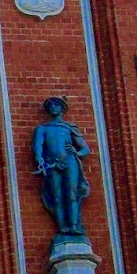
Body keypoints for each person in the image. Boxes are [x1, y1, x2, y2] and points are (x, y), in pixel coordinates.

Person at [32, 96, 91, 235]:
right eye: (50, 106)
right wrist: (40, 160)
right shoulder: (43, 128)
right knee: (57, 196)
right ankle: (62, 227)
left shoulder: (69, 127)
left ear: (62, 108)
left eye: (56, 105)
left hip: (70, 161)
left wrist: (77, 152)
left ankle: (74, 225)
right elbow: (38, 146)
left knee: (72, 194)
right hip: (53, 164)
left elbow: (85, 149)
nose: (53, 107)